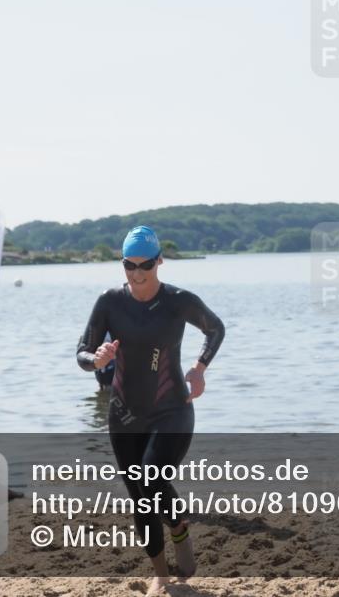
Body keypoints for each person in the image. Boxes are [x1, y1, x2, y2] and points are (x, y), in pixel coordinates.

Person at [76, 225, 225, 589]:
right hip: (124, 414)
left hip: (172, 408)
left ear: (160, 261)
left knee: (152, 476)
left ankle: (178, 527)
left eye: (145, 265)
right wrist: (96, 360)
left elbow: (215, 329)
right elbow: (81, 352)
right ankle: (160, 576)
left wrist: (200, 368)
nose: (138, 274)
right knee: (139, 497)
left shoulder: (178, 300)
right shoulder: (109, 302)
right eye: (130, 265)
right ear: (122, 262)